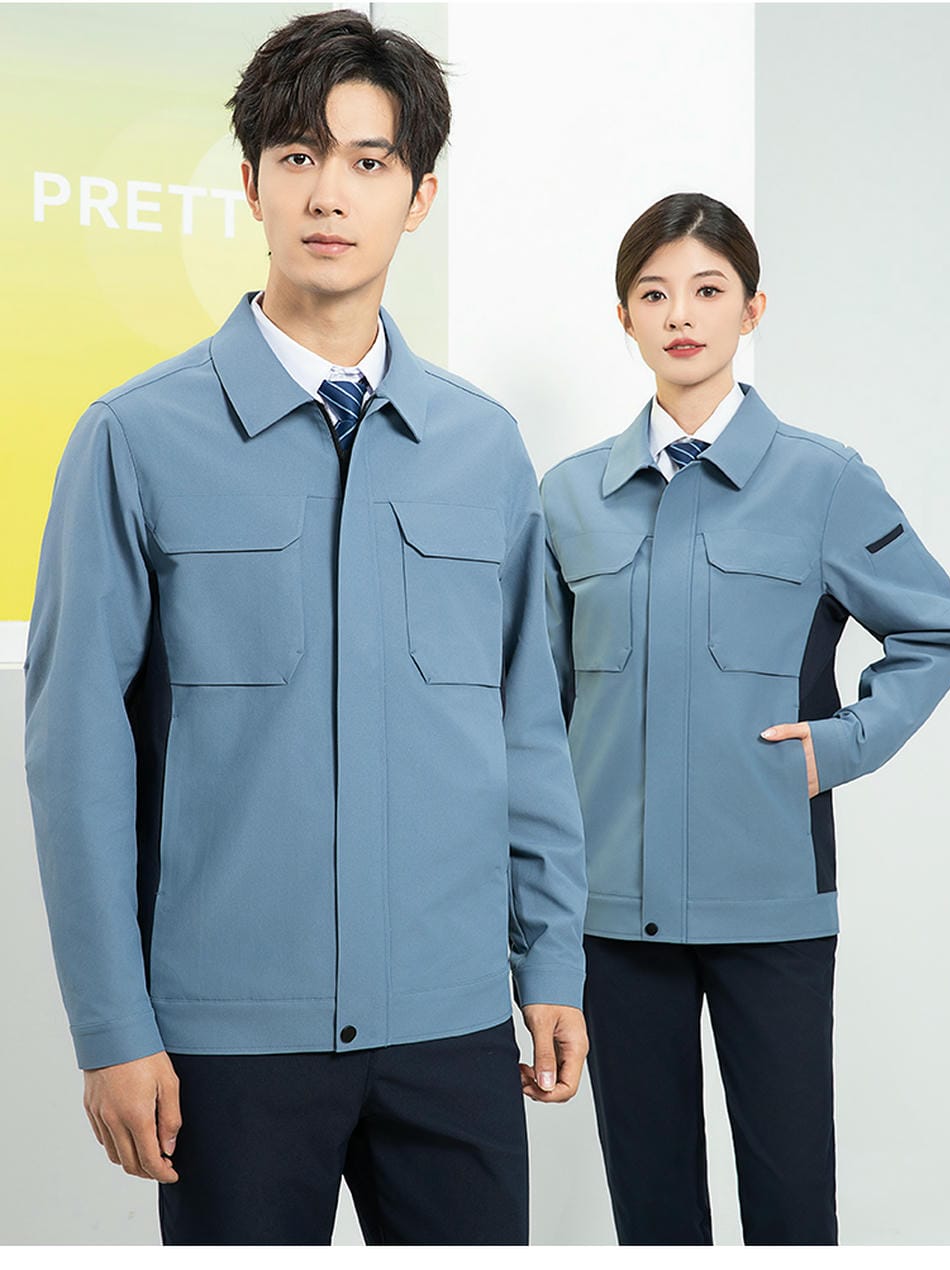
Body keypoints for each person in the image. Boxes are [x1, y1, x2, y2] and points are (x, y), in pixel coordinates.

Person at [24, 10, 589, 1247]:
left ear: (418, 196)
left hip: (450, 1028)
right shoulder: (134, 439)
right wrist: (113, 1028)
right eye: (297, 156)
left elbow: (527, 730)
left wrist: (550, 959)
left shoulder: (483, 447)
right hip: (229, 1043)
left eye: (368, 161)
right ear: (251, 184)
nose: (329, 193)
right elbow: (77, 756)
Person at [539, 192, 950, 1246]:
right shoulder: (568, 498)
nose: (681, 315)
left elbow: (939, 630)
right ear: (624, 318)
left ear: (752, 308)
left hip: (773, 906)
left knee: (789, 1205)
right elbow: (539, 710)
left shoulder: (823, 481)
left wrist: (840, 746)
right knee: (651, 1209)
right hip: (613, 917)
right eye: (654, 294)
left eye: (708, 290)